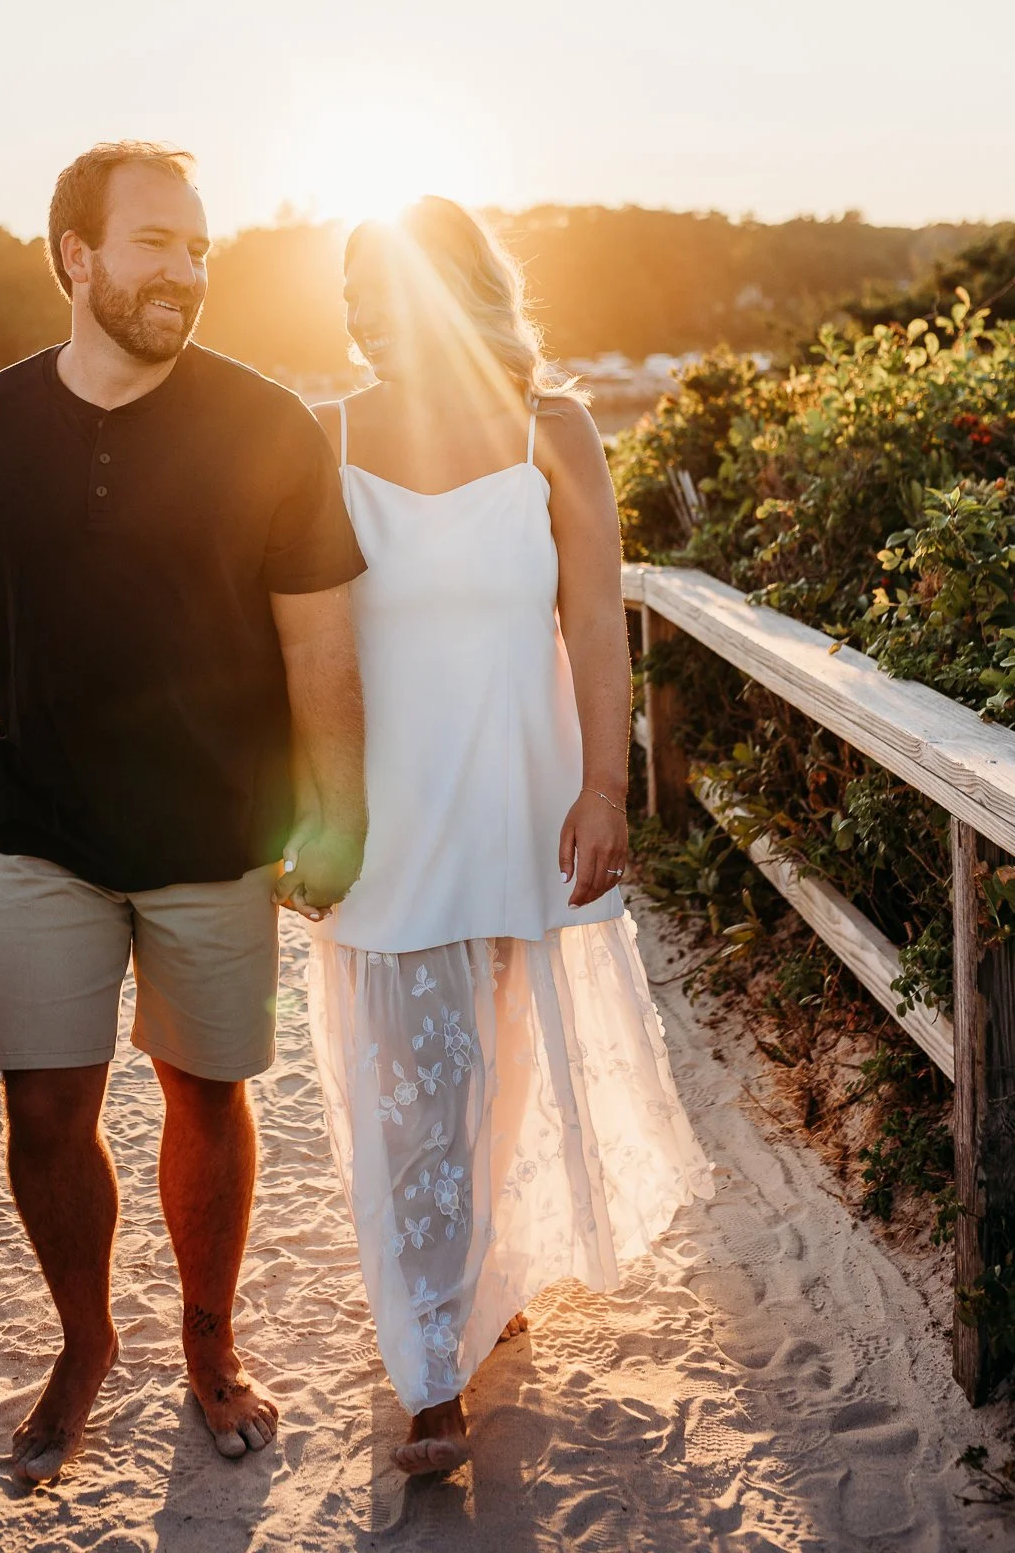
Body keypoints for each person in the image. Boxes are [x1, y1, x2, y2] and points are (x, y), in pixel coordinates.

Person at [0, 141, 367, 1484]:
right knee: (44, 1113)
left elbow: (319, 644)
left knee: (205, 1098)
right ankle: (86, 1340)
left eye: (200, 246)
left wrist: (336, 811)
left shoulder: (269, 425)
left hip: (217, 832)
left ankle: (209, 1344)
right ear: (75, 256)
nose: (188, 271)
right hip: (40, 828)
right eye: (157, 243)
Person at [300, 197, 713, 1476]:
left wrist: (604, 786)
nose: (375, 311)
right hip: (390, 811)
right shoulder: (328, 434)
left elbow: (597, 622)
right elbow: (297, 640)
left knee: (503, 1058)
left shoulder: (558, 430)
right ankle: (430, 1375)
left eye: (397, 284)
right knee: (420, 1086)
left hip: (523, 800)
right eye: (362, 289)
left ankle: (476, 1281)